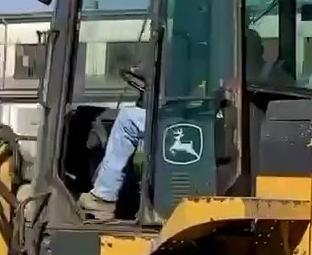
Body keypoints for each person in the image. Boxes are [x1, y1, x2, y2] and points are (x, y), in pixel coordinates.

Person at [78, 31, 275, 220]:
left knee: (127, 119)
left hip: (199, 127)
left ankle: (103, 196)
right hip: (206, 124)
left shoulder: (237, 77)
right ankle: (125, 196)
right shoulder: (254, 75)